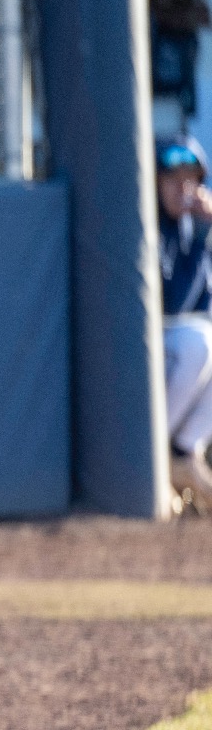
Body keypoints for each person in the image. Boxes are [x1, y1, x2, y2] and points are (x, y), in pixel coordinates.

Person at [157, 136, 212, 505]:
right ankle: (154, 451)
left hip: (173, 341)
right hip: (145, 344)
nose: (184, 188)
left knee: (201, 338)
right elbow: (176, 302)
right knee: (199, 341)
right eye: (173, 178)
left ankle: (183, 452)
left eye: (191, 179)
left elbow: (204, 300)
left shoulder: (191, 225)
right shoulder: (146, 222)